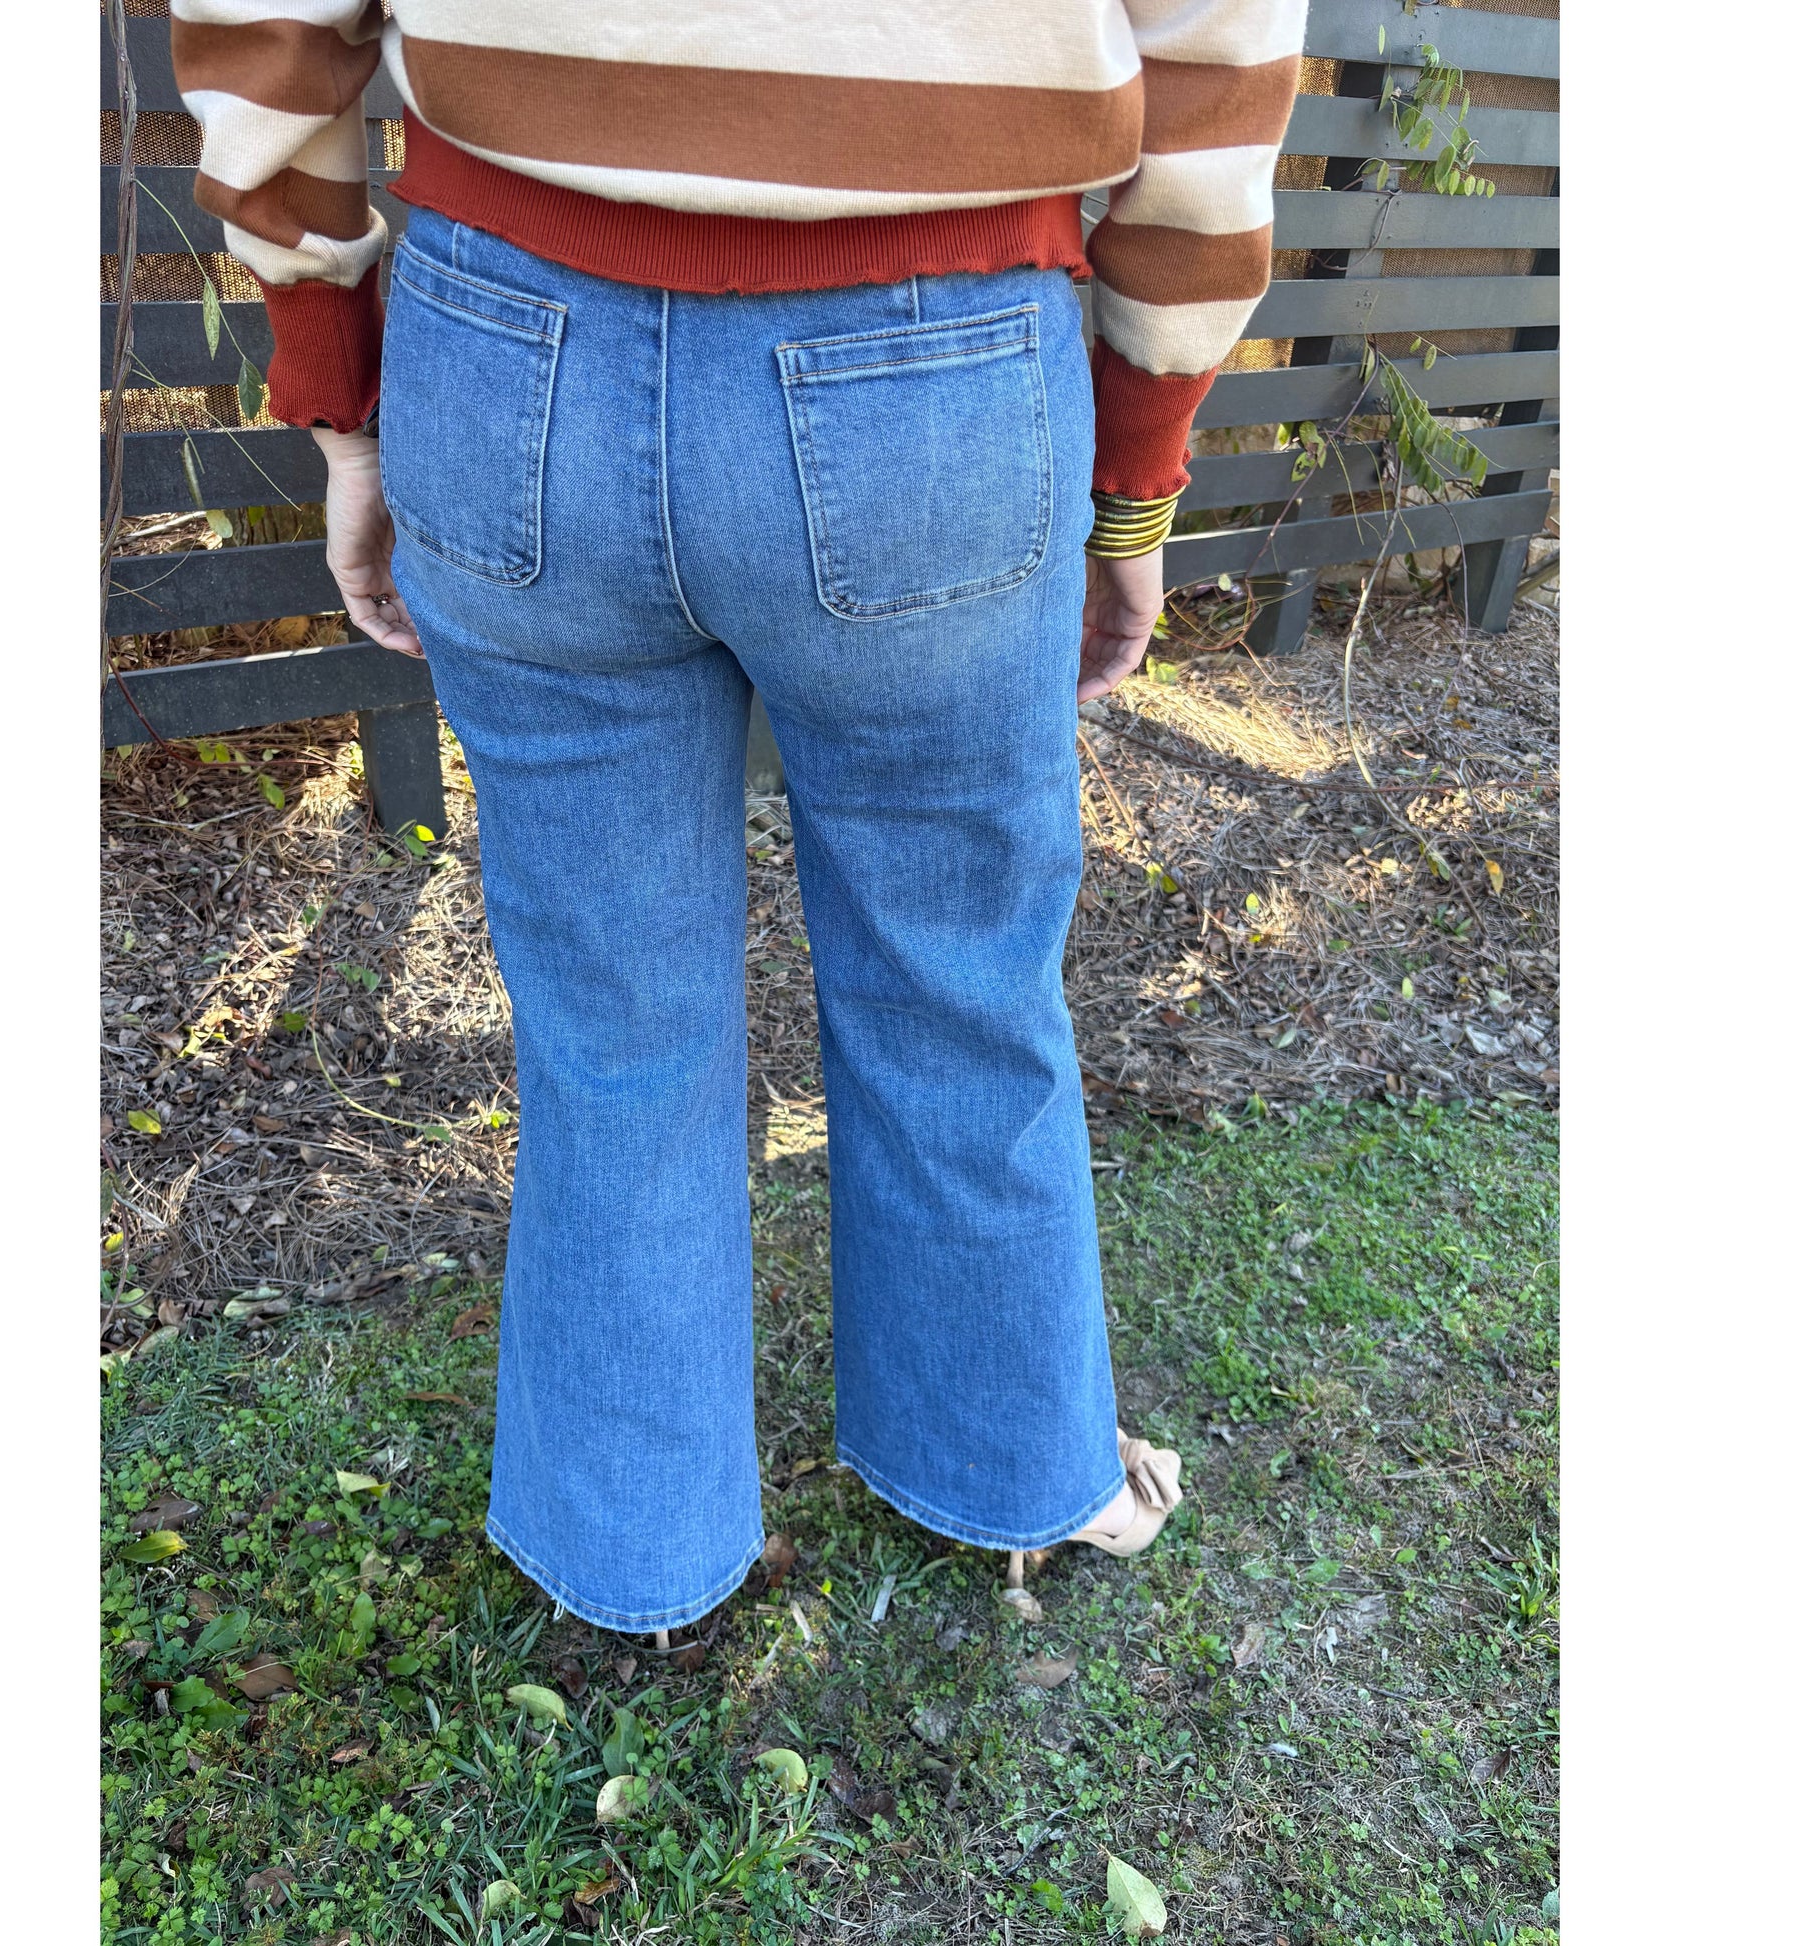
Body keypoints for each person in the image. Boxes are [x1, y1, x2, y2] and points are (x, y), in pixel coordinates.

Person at [171, 0, 1307, 1639]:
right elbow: (1213, 78)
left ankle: (630, 1541)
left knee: (610, 1010)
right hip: (940, 361)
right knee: (957, 972)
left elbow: (265, 24)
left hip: (504, 349)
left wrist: (341, 395)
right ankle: (1011, 1466)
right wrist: (1131, 481)